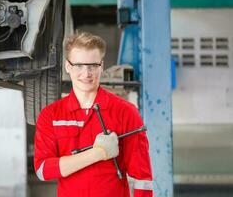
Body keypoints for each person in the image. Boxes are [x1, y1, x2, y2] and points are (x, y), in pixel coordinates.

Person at [34, 32, 153, 197]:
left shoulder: (125, 112)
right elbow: (43, 170)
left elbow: (142, 177)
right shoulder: (51, 115)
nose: (86, 73)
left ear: (101, 66)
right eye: (79, 66)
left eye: (93, 66)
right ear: (68, 66)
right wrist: (97, 154)